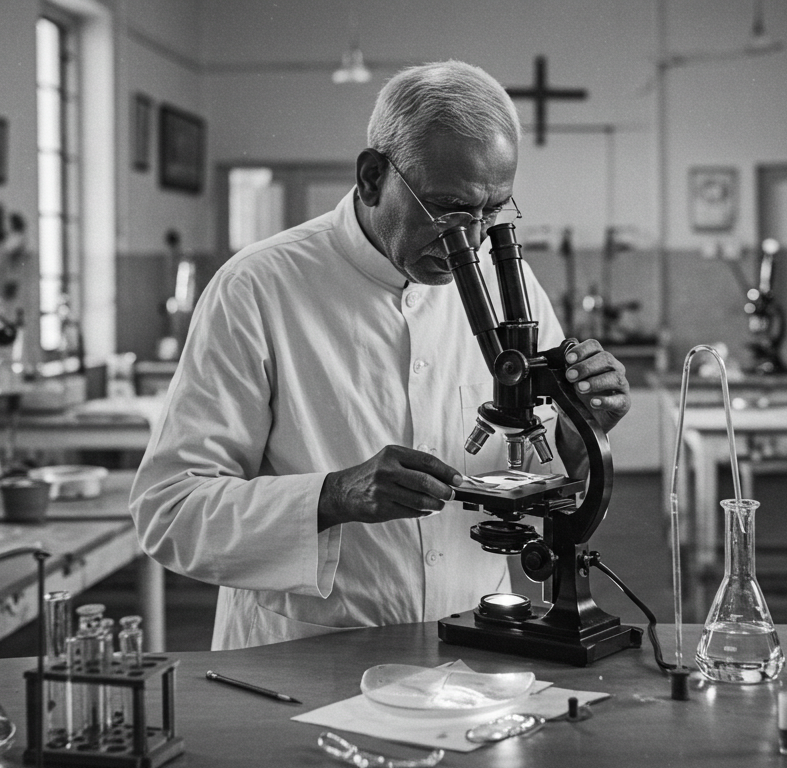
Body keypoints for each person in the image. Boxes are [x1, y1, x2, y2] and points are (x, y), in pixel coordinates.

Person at [130, 60, 631, 650]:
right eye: (448, 209)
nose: (470, 241)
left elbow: (534, 464)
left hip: (478, 646)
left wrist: (583, 429)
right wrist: (332, 496)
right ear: (372, 178)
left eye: (492, 212)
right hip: (303, 657)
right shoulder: (257, 288)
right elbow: (170, 513)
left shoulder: (509, 282)